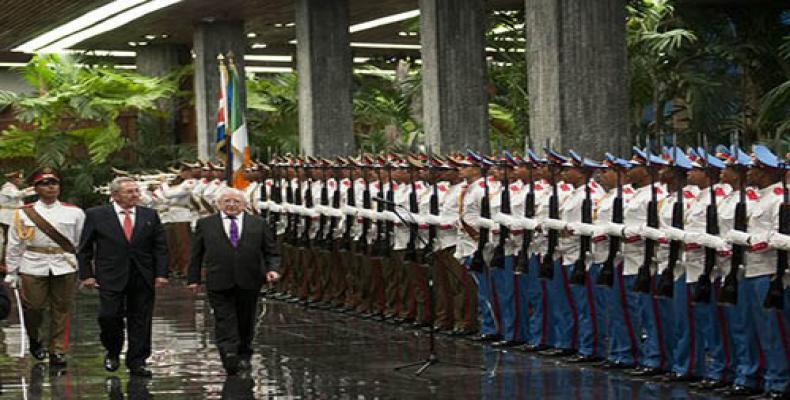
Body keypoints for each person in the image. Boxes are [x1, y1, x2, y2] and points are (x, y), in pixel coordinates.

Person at [77, 176, 169, 377]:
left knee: (141, 320)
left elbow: (160, 247)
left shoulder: (150, 215)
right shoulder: (96, 215)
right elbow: (85, 248)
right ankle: (113, 350)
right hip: (110, 275)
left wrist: (161, 273)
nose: (135, 195)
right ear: (115, 195)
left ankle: (137, 361)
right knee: (109, 316)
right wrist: (86, 274)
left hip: (142, 275)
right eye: (129, 192)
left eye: (137, 191)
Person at [187, 188, 281, 375]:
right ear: (219, 204)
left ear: (244, 205)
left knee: (246, 319)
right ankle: (228, 353)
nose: (231, 205)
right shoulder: (206, 224)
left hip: (249, 278)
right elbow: (196, 254)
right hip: (219, 279)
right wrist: (193, 278)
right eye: (227, 201)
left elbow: (270, 251)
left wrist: (272, 270)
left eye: (236, 202)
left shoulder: (258, 224)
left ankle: (244, 352)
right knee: (224, 318)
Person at [3, 168, 85, 366]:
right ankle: (35, 339)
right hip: (33, 263)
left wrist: (82, 267)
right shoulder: (23, 213)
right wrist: (12, 271)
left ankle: (58, 350)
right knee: (34, 307)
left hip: (63, 264)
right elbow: (15, 243)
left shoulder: (74, 212)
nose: (51, 187)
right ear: (36, 188)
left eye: (54, 183)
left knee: (62, 308)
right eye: (45, 184)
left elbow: (80, 241)